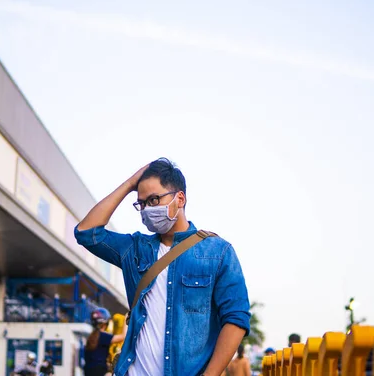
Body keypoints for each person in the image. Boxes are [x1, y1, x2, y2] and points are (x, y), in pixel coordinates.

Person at [75, 158, 251, 376]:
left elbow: (236, 318)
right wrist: (130, 183)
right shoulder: (134, 249)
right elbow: (87, 233)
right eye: (142, 203)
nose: (147, 209)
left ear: (180, 198)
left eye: (154, 199)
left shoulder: (218, 252)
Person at [84, 310, 127, 376]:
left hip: (88, 372)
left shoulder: (91, 337)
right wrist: (126, 319)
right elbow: (123, 337)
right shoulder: (103, 336)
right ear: (105, 323)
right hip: (100, 371)